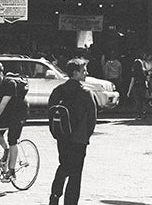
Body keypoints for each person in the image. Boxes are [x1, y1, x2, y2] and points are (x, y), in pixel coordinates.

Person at [47, 58, 97, 205]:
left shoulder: (58, 91)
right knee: (75, 173)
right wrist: (86, 135)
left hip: (62, 136)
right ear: (75, 73)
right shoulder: (85, 92)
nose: (86, 73)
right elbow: (92, 118)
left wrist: (57, 133)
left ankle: (55, 195)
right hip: (79, 139)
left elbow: (50, 113)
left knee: (64, 165)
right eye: (83, 71)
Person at [128, 52, 150, 119]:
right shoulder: (144, 72)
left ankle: (139, 114)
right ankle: (144, 113)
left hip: (136, 87)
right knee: (143, 101)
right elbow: (148, 80)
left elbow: (132, 82)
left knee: (138, 101)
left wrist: (129, 91)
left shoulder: (134, 72)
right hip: (143, 86)